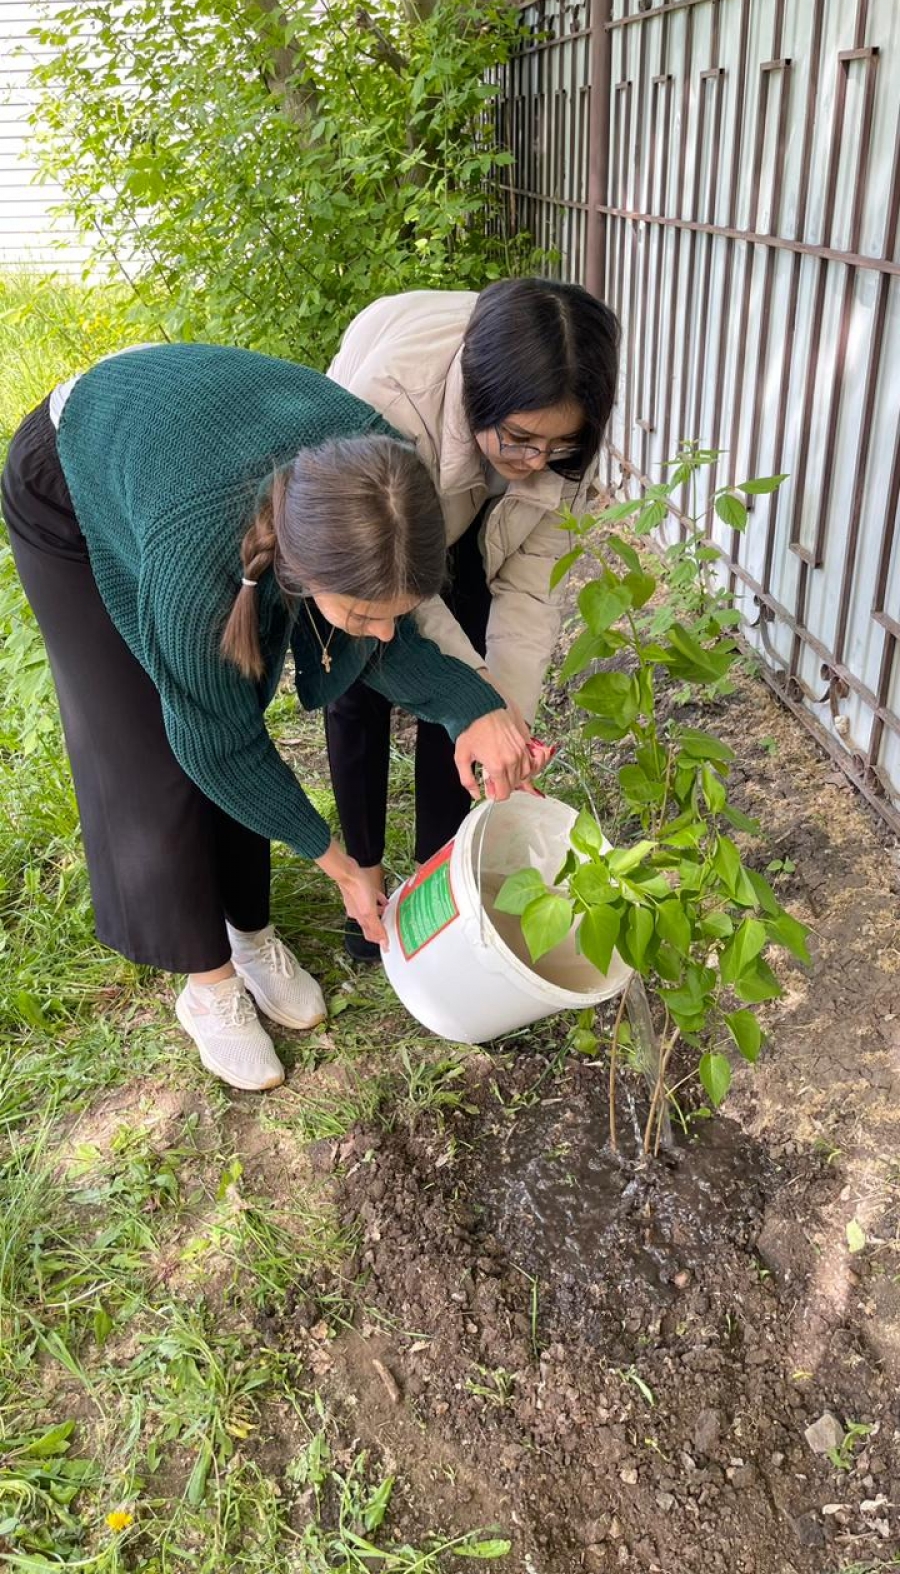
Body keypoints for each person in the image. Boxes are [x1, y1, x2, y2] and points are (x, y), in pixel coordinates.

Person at [1, 342, 535, 1092]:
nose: (380, 629)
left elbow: (385, 633)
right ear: (300, 568)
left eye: (393, 613)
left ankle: (251, 933)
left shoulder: (379, 482)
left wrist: (471, 706)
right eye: (360, 613)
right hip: (72, 477)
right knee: (156, 742)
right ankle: (209, 985)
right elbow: (219, 745)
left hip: (186, 444)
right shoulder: (198, 563)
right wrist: (337, 861)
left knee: (241, 693)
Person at [327, 278, 620, 959]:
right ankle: (366, 884)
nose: (535, 464)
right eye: (520, 439)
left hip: (468, 500)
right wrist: (469, 696)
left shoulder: (563, 428)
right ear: (481, 399)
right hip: (389, 495)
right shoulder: (387, 405)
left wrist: (503, 716)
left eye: (557, 448)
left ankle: (441, 878)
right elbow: (405, 593)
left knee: (474, 694)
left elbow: (530, 591)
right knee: (359, 677)